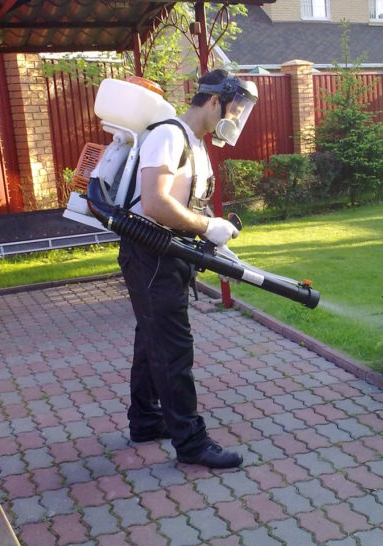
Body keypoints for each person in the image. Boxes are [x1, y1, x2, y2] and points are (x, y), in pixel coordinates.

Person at [117, 69, 257, 469]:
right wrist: (206, 226)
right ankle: (191, 442)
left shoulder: (196, 143)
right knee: (173, 348)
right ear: (214, 100)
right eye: (235, 107)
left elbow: (188, 204)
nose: (236, 117)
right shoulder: (168, 135)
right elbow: (155, 204)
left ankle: (145, 420)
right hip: (149, 253)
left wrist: (215, 236)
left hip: (168, 253)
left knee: (151, 339)